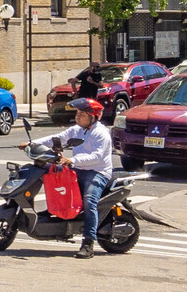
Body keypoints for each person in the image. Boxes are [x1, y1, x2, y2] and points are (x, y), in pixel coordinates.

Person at [46, 96, 115, 257]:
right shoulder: (76, 130)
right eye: (77, 113)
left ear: (93, 116)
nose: (77, 117)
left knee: (89, 201)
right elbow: (57, 139)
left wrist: (72, 160)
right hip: (77, 169)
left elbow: (96, 157)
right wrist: (31, 144)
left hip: (97, 172)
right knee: (55, 184)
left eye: (82, 114)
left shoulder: (101, 133)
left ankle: (88, 243)